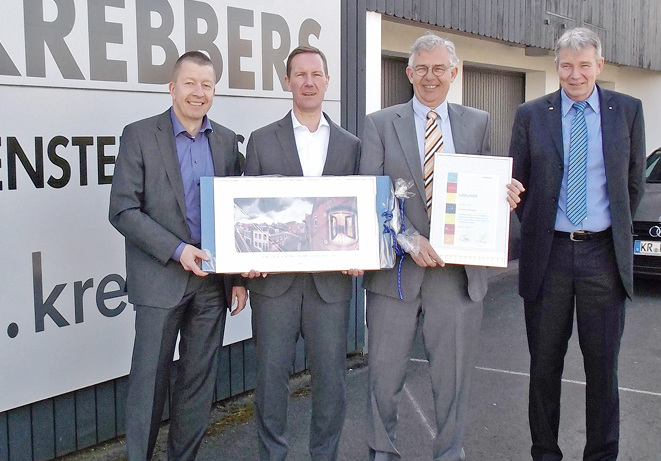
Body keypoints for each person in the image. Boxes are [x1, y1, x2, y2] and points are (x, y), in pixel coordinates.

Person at [359, 32, 523, 461]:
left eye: (439, 69)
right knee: (382, 379)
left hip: (455, 277)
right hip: (395, 276)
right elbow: (372, 195)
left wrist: (502, 196)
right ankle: (382, 453)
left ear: (454, 73)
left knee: (452, 382)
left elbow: (484, 184)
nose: (430, 77)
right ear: (408, 73)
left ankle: (449, 454)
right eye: (422, 69)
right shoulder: (379, 123)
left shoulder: (477, 121)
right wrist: (410, 240)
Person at [509, 27, 645, 460]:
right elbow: (519, 186)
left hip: (602, 255)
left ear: (599, 65)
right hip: (548, 256)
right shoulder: (532, 114)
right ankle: (545, 453)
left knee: (603, 370)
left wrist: (604, 226)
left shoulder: (627, 110)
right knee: (544, 368)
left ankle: (602, 455)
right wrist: (537, 228)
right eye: (566, 65)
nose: (575, 74)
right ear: (556, 67)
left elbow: (632, 185)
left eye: (584, 65)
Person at [109, 51, 247, 461]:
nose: (198, 92)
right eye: (190, 83)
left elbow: (237, 214)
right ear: (172, 88)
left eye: (206, 85)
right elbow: (122, 209)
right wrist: (177, 250)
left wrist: (237, 277)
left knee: (196, 384)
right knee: (148, 383)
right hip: (160, 279)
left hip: (211, 284)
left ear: (214, 91)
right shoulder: (139, 135)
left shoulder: (225, 140)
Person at [242, 45, 361, 461]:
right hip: (273, 286)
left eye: (316, 74)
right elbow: (248, 210)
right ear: (288, 81)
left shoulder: (351, 145)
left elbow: (358, 207)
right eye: (300, 75)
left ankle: (323, 456)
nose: (308, 82)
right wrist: (244, 263)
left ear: (327, 81)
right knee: (271, 382)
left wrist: (360, 250)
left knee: (331, 382)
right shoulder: (261, 140)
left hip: (330, 286)